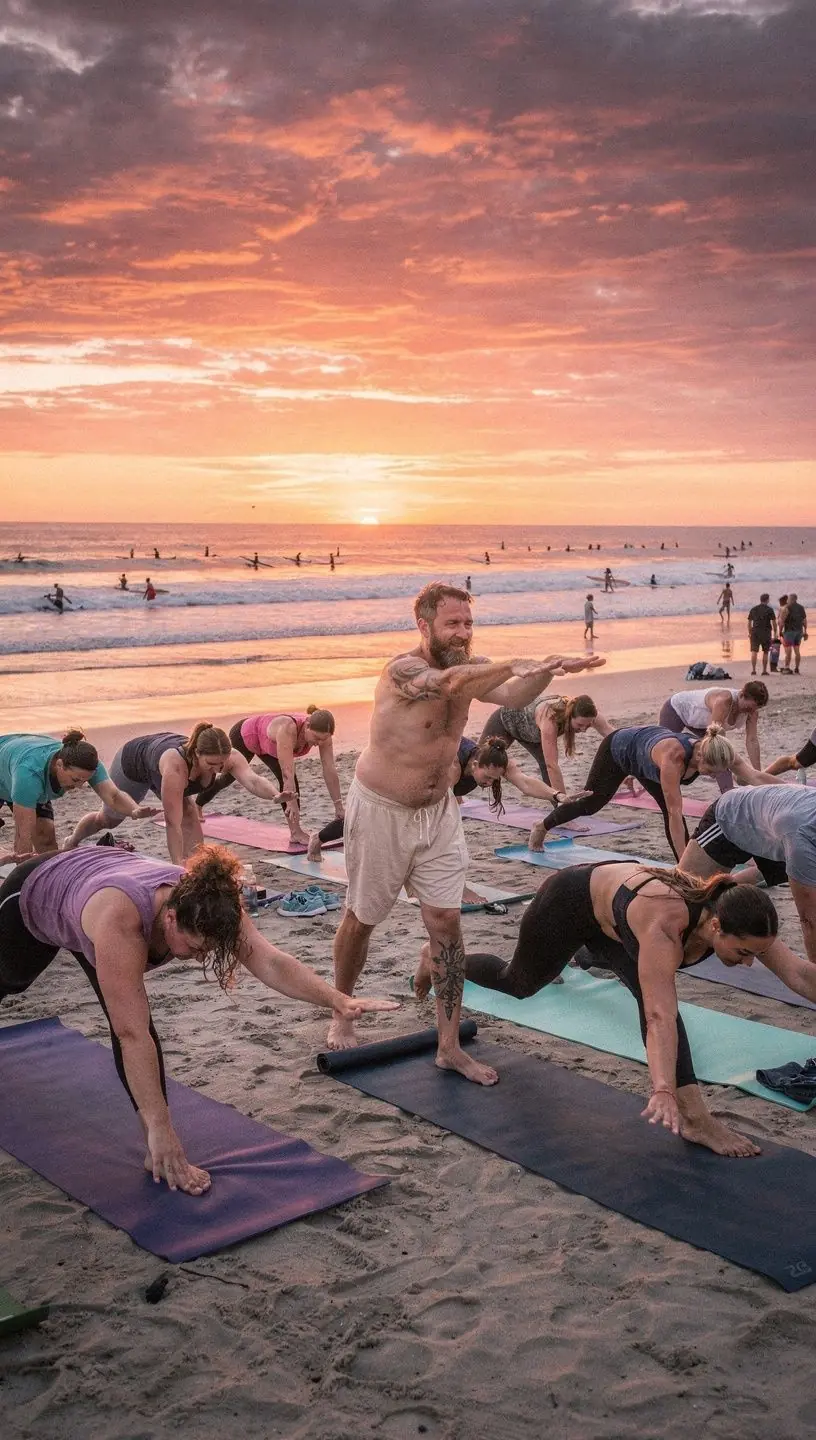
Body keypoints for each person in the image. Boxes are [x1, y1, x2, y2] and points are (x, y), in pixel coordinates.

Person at [327, 580, 605, 1079]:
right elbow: (448, 683)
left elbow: (514, 691)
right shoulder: (402, 671)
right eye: (452, 623)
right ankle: (340, 1007)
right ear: (424, 624)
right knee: (362, 917)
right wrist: (511, 664)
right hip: (382, 810)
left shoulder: (474, 667)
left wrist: (545, 669)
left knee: (446, 923)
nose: (462, 632)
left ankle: (449, 1045)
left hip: (438, 814)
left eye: (469, 623)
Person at [0, 846, 397, 1194]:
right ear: (170, 918)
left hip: (92, 883)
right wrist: (163, 1128)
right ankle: (159, 1138)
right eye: (194, 947)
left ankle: (155, 1148)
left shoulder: (212, 904)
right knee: (12, 982)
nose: (201, 956)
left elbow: (272, 962)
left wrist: (336, 999)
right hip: (35, 894)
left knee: (138, 1023)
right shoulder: (121, 922)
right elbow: (131, 1035)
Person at [416, 863, 815, 1156]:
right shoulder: (665, 927)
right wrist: (661, 1089)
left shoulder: (743, 919)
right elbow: (659, 1018)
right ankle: (439, 958)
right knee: (517, 983)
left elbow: (799, 975)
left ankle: (695, 1120)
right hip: (569, 901)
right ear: (715, 927)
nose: (750, 963)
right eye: (743, 952)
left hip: (615, 921)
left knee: (648, 991)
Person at [306, 733, 584, 864]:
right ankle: (317, 839)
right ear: (474, 765)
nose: (489, 784)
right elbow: (441, 808)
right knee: (365, 819)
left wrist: (557, 795)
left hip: (424, 786)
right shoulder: (452, 767)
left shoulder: (496, 760)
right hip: (399, 775)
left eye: (493, 781)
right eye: (486, 779)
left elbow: (525, 783)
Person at [529, 723, 781, 861]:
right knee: (592, 804)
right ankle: (541, 826)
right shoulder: (674, 758)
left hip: (646, 761)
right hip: (619, 750)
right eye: (712, 771)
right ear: (701, 755)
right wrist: (686, 864)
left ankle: (684, 866)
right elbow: (674, 813)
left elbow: (756, 777)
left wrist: (794, 792)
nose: (715, 776)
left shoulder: (720, 750)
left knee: (671, 812)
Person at [63, 724, 287, 864]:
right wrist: (175, 865)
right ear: (196, 753)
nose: (218, 770)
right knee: (108, 819)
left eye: (222, 763)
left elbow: (253, 780)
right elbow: (172, 823)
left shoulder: (229, 756)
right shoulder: (176, 767)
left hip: (157, 755)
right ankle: (72, 840)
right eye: (211, 764)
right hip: (134, 763)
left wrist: (275, 795)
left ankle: (197, 865)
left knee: (190, 813)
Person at [679, 786, 816, 963]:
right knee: (684, 898)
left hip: (774, 829)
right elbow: (809, 919)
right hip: (729, 820)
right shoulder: (801, 841)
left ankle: (726, 886)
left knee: (800, 874)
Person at [197, 708, 342, 847]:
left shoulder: (324, 736)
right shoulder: (287, 729)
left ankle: (295, 831)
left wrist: (338, 806)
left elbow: (329, 770)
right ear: (307, 725)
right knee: (226, 778)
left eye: (323, 739)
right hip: (246, 735)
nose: (319, 743)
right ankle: (198, 805)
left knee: (290, 784)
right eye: (316, 738)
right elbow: (287, 775)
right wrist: (291, 804)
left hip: (267, 746)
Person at [0, 730, 156, 855]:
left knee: (46, 839)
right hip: (11, 769)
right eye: (75, 780)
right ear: (59, 765)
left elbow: (114, 796)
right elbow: (23, 835)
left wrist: (134, 810)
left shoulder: (87, 764)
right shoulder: (28, 775)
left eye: (85, 780)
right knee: (24, 842)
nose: (80, 786)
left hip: (18, 766)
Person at [479, 692, 613, 795]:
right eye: (579, 725)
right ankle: (459, 797)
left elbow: (614, 735)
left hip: (531, 735)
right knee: (479, 758)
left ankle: (559, 812)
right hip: (505, 722)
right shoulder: (550, 719)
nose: (583, 729)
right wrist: (564, 801)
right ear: (569, 715)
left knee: (545, 763)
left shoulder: (589, 714)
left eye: (588, 725)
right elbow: (552, 766)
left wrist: (627, 767)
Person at [657, 681, 768, 792]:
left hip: (700, 723)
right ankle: (653, 783)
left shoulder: (752, 712)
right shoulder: (724, 700)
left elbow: (752, 740)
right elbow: (714, 739)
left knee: (722, 755)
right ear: (742, 695)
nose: (752, 711)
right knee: (662, 749)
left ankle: (727, 790)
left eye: (756, 708)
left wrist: (757, 776)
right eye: (749, 708)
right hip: (677, 709)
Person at [746, 593, 777, 675]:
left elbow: (749, 622)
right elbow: (774, 622)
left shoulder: (754, 609)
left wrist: (749, 633)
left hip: (755, 632)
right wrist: (775, 632)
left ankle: (753, 670)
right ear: (767, 600)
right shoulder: (769, 609)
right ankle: (764, 670)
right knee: (766, 652)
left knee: (754, 651)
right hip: (766, 632)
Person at [780, 593, 807, 674]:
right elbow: (804, 620)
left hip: (789, 631)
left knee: (788, 650)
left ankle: (787, 667)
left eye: (788, 599)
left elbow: (782, 621)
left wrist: (780, 631)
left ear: (791, 599)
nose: (787, 600)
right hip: (799, 632)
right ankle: (797, 668)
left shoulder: (787, 607)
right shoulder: (801, 607)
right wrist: (805, 631)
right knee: (797, 650)